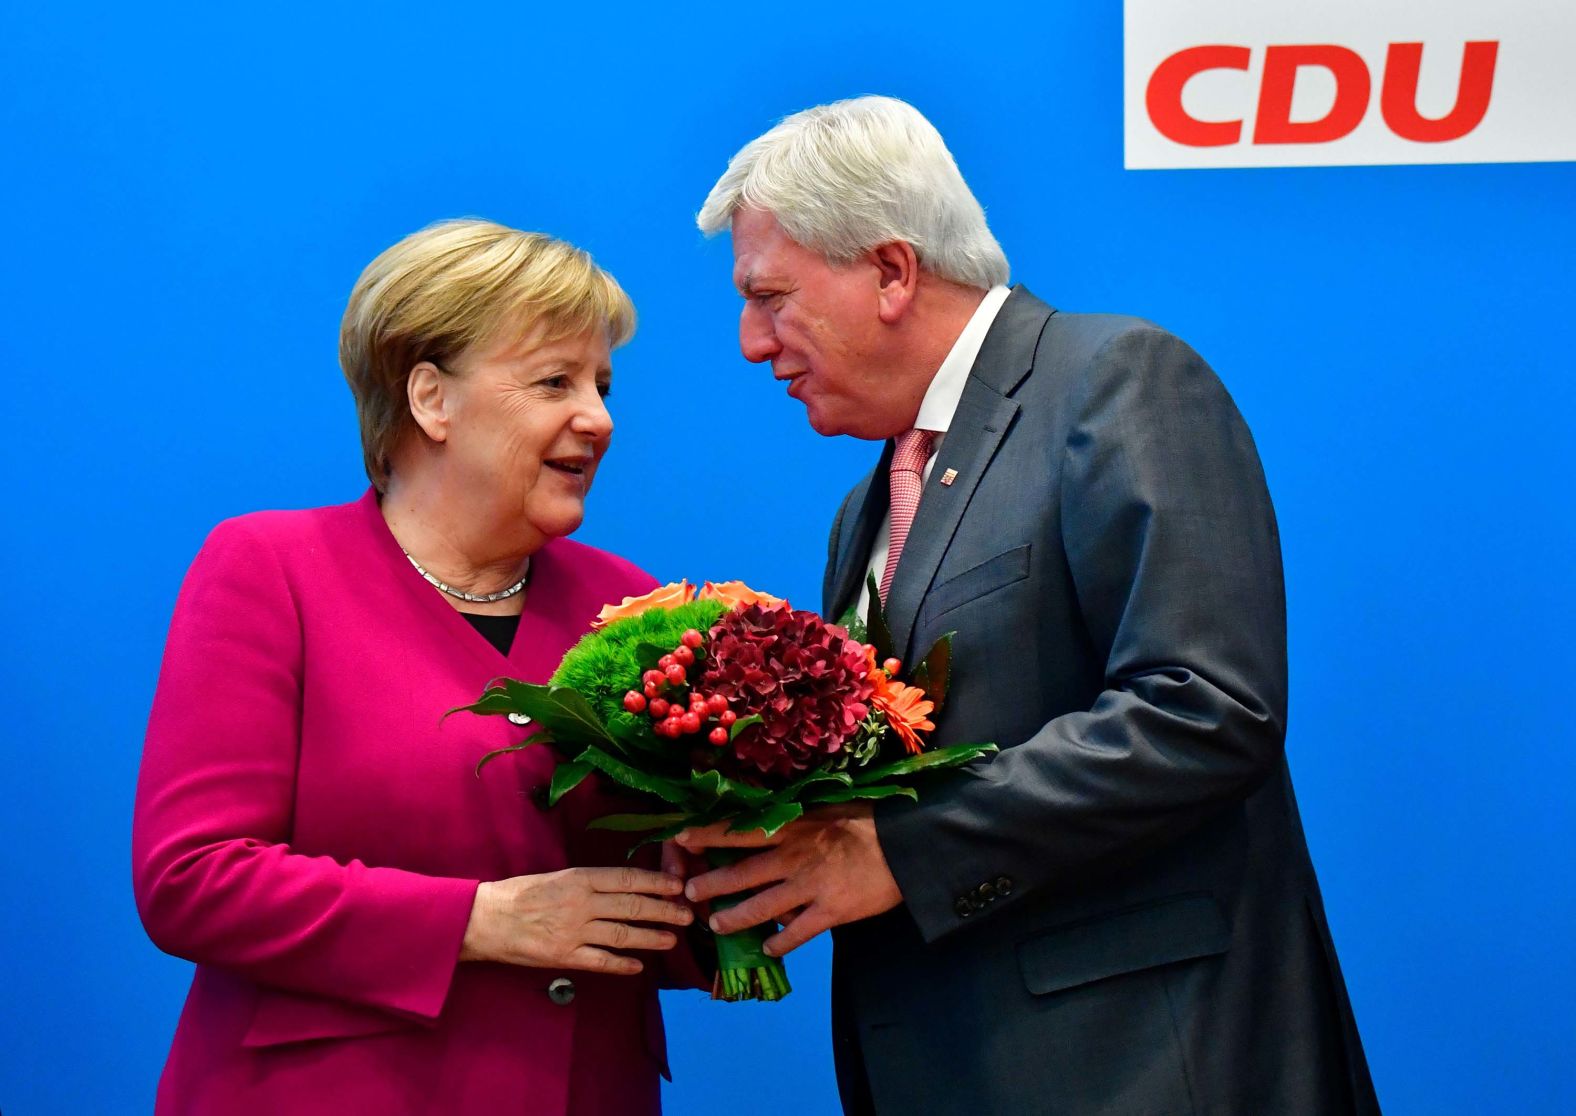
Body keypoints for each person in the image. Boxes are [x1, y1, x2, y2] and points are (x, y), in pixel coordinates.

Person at [678, 96, 1381, 1114]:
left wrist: (896, 851)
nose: (752, 341)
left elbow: (1204, 708)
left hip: (1145, 1073)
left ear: (889, 270)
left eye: (770, 296)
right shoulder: (862, 508)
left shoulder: (1116, 383)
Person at [133, 219, 704, 1116]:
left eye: (601, 384)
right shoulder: (270, 570)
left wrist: (734, 861)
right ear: (431, 399)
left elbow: (665, 908)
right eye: (555, 381)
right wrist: (482, 922)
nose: (598, 418)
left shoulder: (633, 607)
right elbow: (193, 878)